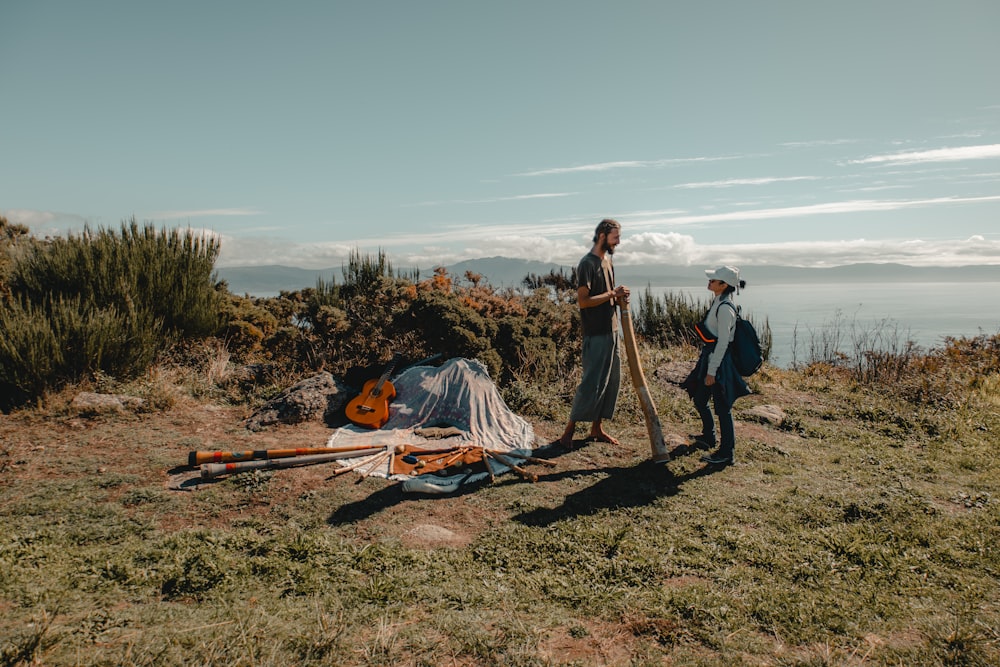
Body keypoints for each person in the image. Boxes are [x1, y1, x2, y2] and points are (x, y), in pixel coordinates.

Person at [558, 218, 630, 449]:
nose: (618, 241)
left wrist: (619, 298)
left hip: (612, 330)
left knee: (610, 382)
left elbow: (609, 295)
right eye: (615, 237)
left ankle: (596, 429)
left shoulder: (608, 261)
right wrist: (612, 294)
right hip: (596, 333)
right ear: (602, 236)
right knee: (591, 383)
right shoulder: (587, 264)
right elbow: (584, 302)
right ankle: (568, 432)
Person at [681, 265, 751, 465]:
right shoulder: (718, 302)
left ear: (724, 285)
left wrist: (712, 371)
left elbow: (722, 343)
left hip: (719, 364)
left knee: (723, 408)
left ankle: (726, 454)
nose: (709, 282)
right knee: (700, 399)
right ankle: (709, 437)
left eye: (713, 280)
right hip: (710, 359)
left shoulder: (725, 309)